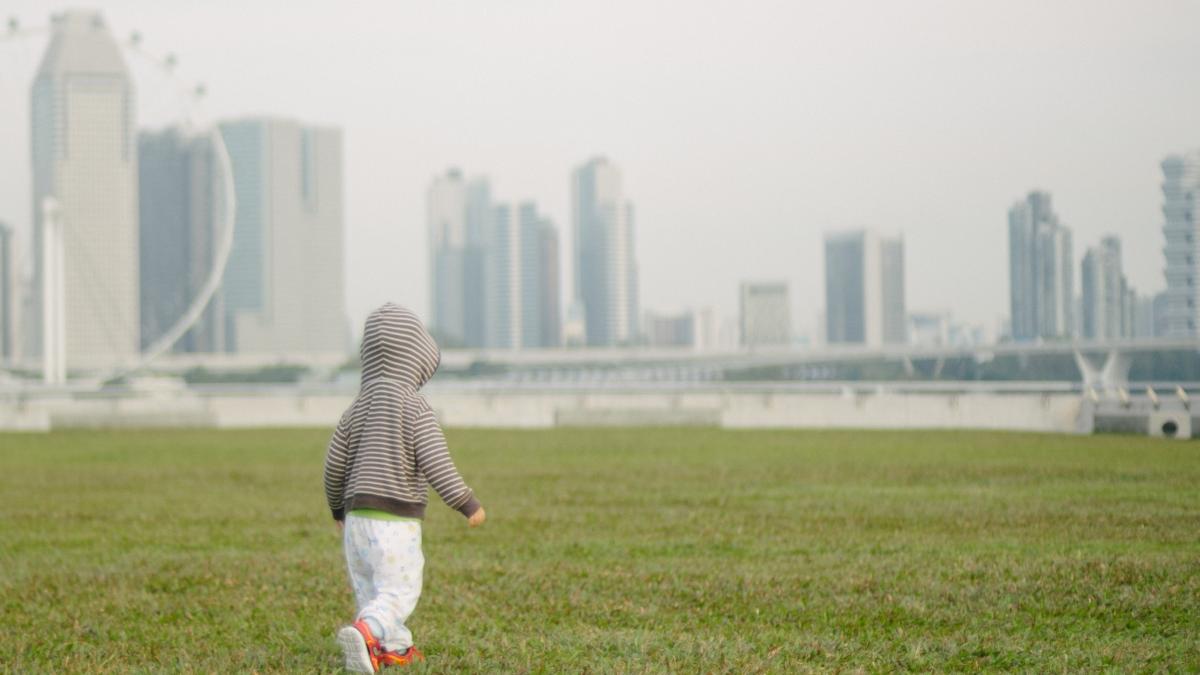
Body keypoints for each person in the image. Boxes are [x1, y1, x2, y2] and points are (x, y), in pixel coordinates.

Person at [323, 302, 486, 672]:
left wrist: (336, 509)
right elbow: (435, 461)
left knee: (371, 591)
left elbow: (334, 464)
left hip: (356, 520)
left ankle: (390, 649)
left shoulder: (356, 407)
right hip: (394, 522)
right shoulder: (414, 406)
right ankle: (366, 632)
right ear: (416, 357)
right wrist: (466, 502)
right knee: (399, 590)